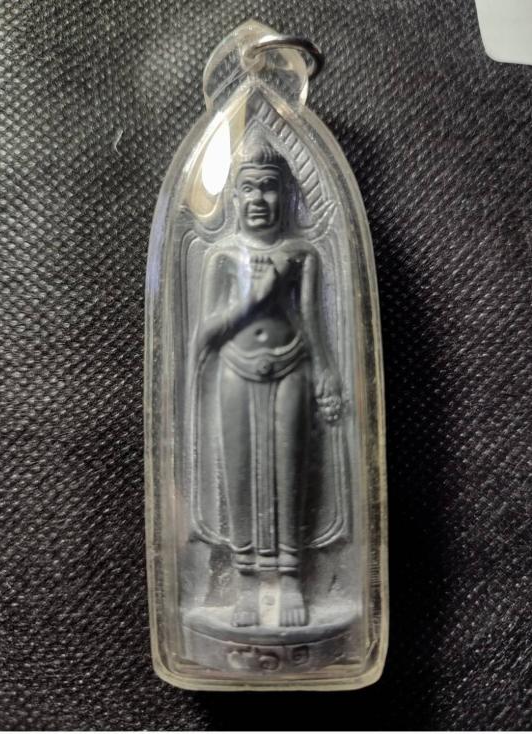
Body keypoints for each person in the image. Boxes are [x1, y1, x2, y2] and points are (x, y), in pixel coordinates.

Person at [190, 130, 342, 627]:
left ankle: (291, 578)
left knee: (289, 468)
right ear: (234, 198)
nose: (259, 199)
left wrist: (327, 373)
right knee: (240, 473)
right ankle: (247, 584)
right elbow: (205, 335)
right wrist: (253, 298)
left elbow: (313, 322)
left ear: (287, 195)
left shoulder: (302, 255)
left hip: (292, 366)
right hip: (236, 370)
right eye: (248, 188)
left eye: (269, 187)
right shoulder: (221, 257)